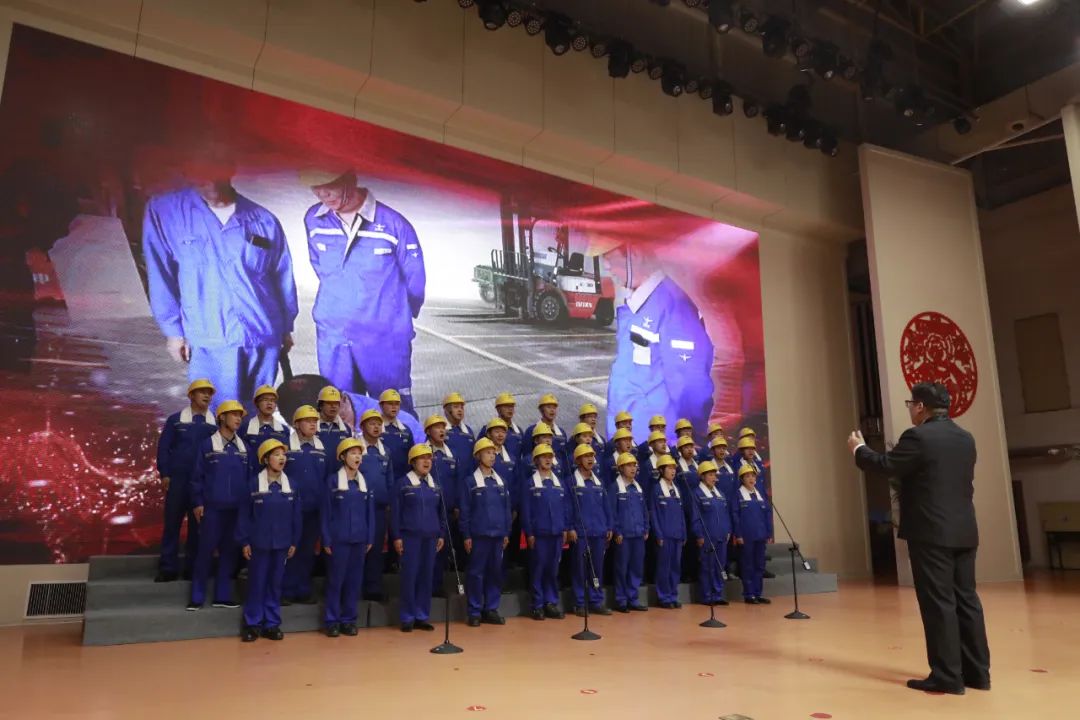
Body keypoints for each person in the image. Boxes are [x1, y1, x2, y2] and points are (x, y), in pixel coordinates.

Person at [848, 382, 990, 695]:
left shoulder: (919, 437)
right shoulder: (965, 438)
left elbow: (886, 465)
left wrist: (859, 449)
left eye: (911, 404)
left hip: (931, 533)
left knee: (938, 603)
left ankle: (947, 676)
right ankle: (978, 674)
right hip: (965, 530)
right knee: (967, 601)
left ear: (921, 407)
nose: (910, 409)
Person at [144, 160, 297, 405]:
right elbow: (160, 273)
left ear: (230, 170)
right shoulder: (167, 213)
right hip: (209, 337)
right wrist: (173, 331)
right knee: (215, 416)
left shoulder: (264, 220)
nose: (210, 182)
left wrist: (286, 328)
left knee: (257, 416)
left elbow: (282, 276)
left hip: (261, 335)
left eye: (216, 172)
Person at [300, 168, 424, 413]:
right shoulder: (313, 220)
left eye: (329, 185)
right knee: (339, 409)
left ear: (350, 180)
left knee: (392, 410)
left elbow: (415, 281)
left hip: (384, 337)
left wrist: (392, 315)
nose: (322, 194)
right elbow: (320, 266)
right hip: (334, 335)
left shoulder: (394, 224)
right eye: (315, 187)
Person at [600, 242, 715, 441]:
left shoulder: (674, 305)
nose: (606, 266)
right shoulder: (639, 303)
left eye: (609, 256)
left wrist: (692, 435)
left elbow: (691, 385)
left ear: (635, 254)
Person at [188, 400, 250, 611]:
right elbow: (197, 477)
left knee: (229, 554)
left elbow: (250, 479)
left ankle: (222, 596)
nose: (238, 419)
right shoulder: (207, 445)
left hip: (236, 511)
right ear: (221, 417)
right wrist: (198, 502)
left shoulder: (245, 448)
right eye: (234, 415)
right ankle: (197, 597)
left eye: (240, 416)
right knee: (204, 553)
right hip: (212, 509)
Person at [237, 439, 300, 642]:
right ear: (265, 459)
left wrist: (294, 541)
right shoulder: (253, 484)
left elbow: (296, 517)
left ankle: (272, 624)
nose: (282, 458)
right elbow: (244, 515)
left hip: (282, 543)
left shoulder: (292, 486)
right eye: (276, 455)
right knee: (257, 583)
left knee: (275, 584)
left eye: (283, 454)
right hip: (259, 543)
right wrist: (245, 541)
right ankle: (252, 624)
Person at [155, 378, 217, 582]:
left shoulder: (215, 424)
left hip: (202, 484)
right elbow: (164, 448)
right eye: (202, 392)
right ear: (191, 395)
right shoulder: (175, 420)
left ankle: (193, 569)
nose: (206, 395)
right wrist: (165, 473)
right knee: (172, 524)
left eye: (209, 392)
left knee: (198, 528)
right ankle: (168, 568)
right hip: (178, 481)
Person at [321, 438, 376, 638]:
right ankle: (332, 621)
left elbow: (370, 513)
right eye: (352, 453)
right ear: (343, 457)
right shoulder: (333, 481)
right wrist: (326, 538)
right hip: (339, 539)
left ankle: (349, 620)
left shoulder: (364, 482)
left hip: (359, 539)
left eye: (359, 453)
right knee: (336, 581)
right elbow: (326, 513)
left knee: (354, 582)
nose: (357, 457)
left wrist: (369, 537)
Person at [390, 444, 446, 632]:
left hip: (431, 538)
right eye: (422, 458)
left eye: (429, 458)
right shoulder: (402, 483)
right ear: (413, 462)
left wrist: (441, 534)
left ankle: (422, 616)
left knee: (426, 577)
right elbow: (395, 513)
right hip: (410, 537)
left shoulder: (435, 485)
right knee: (410, 576)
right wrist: (397, 537)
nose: (427, 461)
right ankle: (407, 617)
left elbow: (441, 512)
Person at [460, 438, 512, 627]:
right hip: (479, 535)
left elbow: (506, 509)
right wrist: (466, 535)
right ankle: (474, 611)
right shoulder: (470, 482)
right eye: (487, 453)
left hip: (498, 536)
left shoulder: (501, 482)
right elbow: (465, 511)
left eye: (493, 453)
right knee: (476, 573)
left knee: (495, 573)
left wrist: (506, 532)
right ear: (478, 456)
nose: (492, 456)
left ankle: (491, 608)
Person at [281, 405, 329, 604]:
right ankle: (285, 590)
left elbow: (325, 478)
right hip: (290, 509)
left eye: (315, 421)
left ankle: (303, 590)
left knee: (308, 551)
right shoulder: (285, 446)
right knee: (289, 550)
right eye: (308, 421)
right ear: (296, 424)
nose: (313, 424)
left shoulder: (321, 448)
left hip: (314, 509)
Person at [520, 444, 570, 620]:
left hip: (556, 534)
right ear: (536, 460)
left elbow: (566, 508)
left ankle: (551, 603)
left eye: (550, 456)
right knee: (538, 569)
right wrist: (530, 533)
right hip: (539, 535)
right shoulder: (530, 484)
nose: (548, 460)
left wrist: (565, 528)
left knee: (553, 570)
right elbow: (526, 511)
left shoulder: (559, 483)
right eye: (544, 456)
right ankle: (537, 605)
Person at [566, 443, 613, 616]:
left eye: (592, 456)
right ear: (578, 460)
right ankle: (579, 603)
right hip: (581, 533)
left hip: (599, 532)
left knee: (597, 569)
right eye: (586, 456)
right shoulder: (571, 482)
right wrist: (570, 527)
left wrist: (609, 526)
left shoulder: (598, 482)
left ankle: (596, 601)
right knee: (579, 569)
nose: (590, 459)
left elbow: (606, 506)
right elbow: (567, 507)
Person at [355, 409, 394, 602]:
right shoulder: (354, 448)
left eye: (379, 423)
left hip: (378, 509)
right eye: (372, 423)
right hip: (357, 507)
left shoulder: (386, 451)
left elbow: (390, 480)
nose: (376, 427)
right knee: (357, 548)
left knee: (376, 549)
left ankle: (373, 588)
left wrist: (389, 502)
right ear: (362, 427)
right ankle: (355, 588)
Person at [607, 452, 649, 612]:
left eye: (634, 465)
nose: (633, 468)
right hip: (623, 536)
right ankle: (621, 600)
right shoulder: (615, 487)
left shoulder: (638, 487)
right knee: (621, 568)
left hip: (638, 535)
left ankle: (633, 598)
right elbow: (612, 512)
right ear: (620, 468)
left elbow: (644, 510)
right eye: (629, 465)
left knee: (636, 568)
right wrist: (617, 531)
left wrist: (646, 528)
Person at [689, 460, 733, 607]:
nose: (714, 477)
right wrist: (699, 535)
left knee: (720, 566)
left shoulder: (720, 493)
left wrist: (728, 530)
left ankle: (718, 594)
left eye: (715, 474)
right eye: (710, 475)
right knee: (707, 566)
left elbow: (726, 514)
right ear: (702, 476)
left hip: (721, 536)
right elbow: (695, 517)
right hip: (707, 537)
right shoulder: (697, 493)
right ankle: (707, 596)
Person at [649, 455, 686, 609]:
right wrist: (658, 533)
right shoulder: (656, 489)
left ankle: (673, 595)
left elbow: (681, 513)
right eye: (669, 468)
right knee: (664, 567)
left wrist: (684, 532)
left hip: (677, 534)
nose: (673, 471)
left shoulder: (676, 489)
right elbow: (653, 513)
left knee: (675, 567)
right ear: (661, 470)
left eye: (674, 468)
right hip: (665, 535)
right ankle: (663, 597)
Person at [733, 463, 772, 606]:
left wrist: (768, 532)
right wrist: (738, 535)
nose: (751, 479)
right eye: (747, 476)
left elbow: (767, 514)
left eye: (753, 476)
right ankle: (749, 594)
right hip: (746, 536)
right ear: (742, 479)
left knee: (759, 565)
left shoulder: (760, 494)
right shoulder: (738, 494)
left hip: (760, 535)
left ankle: (757, 593)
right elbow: (735, 516)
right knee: (748, 565)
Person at [242, 385, 290, 459]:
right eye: (265, 400)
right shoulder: (245, 428)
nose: (269, 403)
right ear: (257, 403)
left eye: (272, 400)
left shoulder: (284, 430)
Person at [316, 386, 353, 473]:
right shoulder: (311, 426)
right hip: (316, 476)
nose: (333, 406)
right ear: (320, 405)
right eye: (329, 403)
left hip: (339, 477)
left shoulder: (346, 430)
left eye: (336, 403)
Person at [379, 389, 414, 475]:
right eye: (390, 403)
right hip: (381, 478)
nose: (394, 407)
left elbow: (413, 457)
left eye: (397, 404)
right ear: (381, 405)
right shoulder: (374, 429)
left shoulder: (406, 430)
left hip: (403, 478)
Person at [522, 394, 568, 459]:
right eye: (549, 407)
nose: (552, 410)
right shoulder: (531, 431)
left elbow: (565, 458)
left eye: (554, 408)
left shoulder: (562, 433)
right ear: (541, 410)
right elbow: (527, 457)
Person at [480, 393, 524, 460]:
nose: (510, 409)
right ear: (498, 409)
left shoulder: (519, 431)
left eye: (512, 406)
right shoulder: (488, 429)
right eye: (506, 406)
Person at [442, 392, 476, 463]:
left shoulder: (468, 430)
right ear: (446, 410)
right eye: (456, 407)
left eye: (462, 407)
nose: (460, 410)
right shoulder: (440, 430)